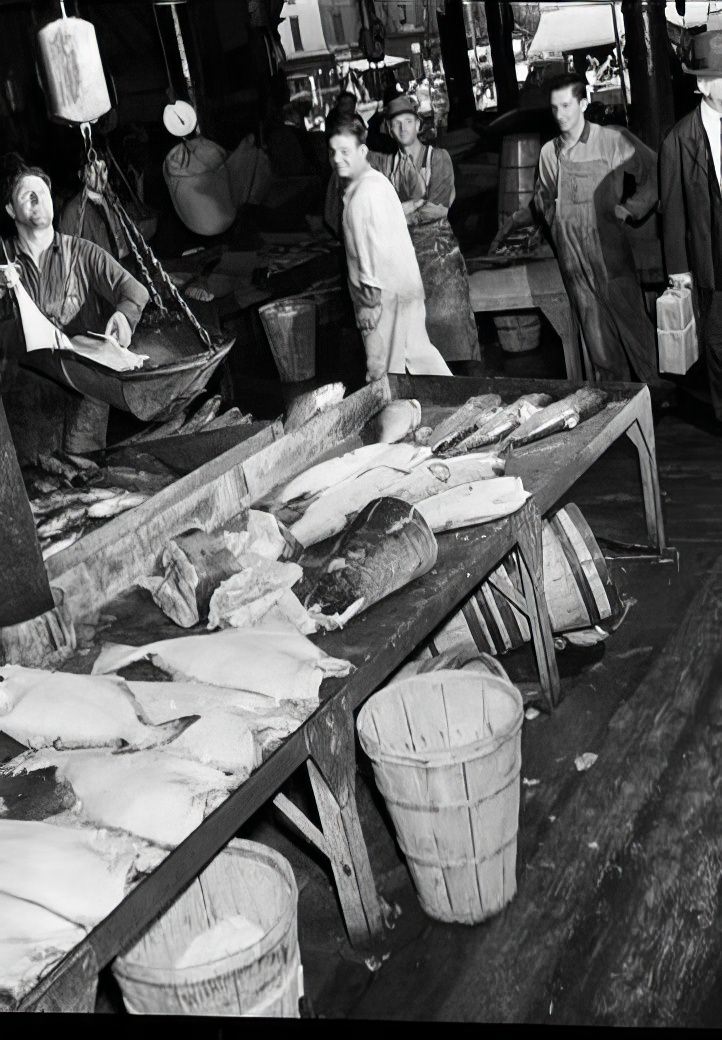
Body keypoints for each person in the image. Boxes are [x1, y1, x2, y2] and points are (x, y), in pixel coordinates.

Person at [492, 73, 659, 383]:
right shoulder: (547, 154)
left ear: (583, 103)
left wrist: (629, 210)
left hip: (611, 258)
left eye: (567, 106)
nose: (560, 115)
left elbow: (655, 173)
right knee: (600, 347)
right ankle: (616, 406)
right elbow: (542, 205)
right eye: (555, 108)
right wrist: (514, 222)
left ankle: (658, 398)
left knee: (637, 334)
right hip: (574, 267)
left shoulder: (612, 140)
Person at [0, 165, 149, 453]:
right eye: (26, 194)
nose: (37, 198)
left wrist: (123, 316)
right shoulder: (3, 257)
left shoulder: (83, 252)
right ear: (10, 209)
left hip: (85, 394)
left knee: (85, 481)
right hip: (25, 402)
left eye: (42, 192)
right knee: (38, 487)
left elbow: (135, 291)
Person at [327, 114, 451, 381]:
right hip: (403, 291)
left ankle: (447, 408)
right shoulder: (375, 182)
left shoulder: (364, 195)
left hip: (384, 299)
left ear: (362, 151)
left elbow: (369, 253)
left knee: (385, 375)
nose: (338, 159)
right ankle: (467, 404)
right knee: (421, 358)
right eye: (333, 152)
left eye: (345, 152)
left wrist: (369, 305)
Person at [376, 94, 480, 372]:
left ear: (418, 124)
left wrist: (399, 211)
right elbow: (380, 214)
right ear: (388, 127)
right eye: (396, 123)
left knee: (456, 344)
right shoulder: (386, 167)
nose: (402, 129)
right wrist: (410, 207)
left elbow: (438, 209)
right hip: (406, 265)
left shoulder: (439, 158)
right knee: (418, 351)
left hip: (441, 261)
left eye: (408, 121)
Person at [659, 30, 722, 420]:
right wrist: (679, 272)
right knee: (718, 346)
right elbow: (674, 213)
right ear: (702, 83)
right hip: (713, 266)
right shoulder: (678, 141)